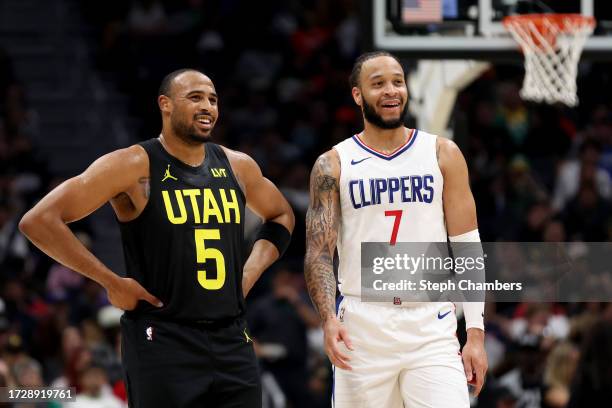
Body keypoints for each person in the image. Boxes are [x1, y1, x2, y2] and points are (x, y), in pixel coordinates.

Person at [19, 68, 295, 407]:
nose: (207, 106)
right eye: (195, 97)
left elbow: (281, 216)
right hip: (163, 339)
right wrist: (110, 281)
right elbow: (39, 220)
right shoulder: (133, 165)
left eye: (212, 99)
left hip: (232, 338)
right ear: (165, 104)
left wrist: (249, 274)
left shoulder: (238, 166)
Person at [304, 51, 487, 407]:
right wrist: (327, 318)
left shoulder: (442, 153)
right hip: (362, 326)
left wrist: (476, 334)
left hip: (430, 324)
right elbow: (318, 253)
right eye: (378, 84)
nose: (391, 91)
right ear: (357, 95)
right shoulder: (333, 164)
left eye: (398, 82)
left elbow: (468, 247)